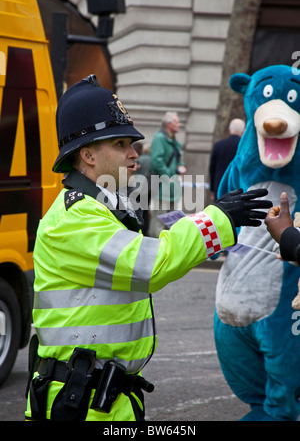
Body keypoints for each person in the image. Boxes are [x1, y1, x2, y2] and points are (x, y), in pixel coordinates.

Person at [25, 75, 272, 421]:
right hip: (82, 404)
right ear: (88, 155)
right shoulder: (75, 218)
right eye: (120, 143)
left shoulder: (97, 208)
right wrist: (217, 221)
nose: (133, 152)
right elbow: (151, 265)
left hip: (99, 399)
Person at [148, 112, 186, 237]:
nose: (179, 125)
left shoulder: (173, 140)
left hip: (171, 186)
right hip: (162, 185)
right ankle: (154, 248)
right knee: (159, 219)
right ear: (169, 124)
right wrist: (167, 175)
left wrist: (181, 166)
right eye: (177, 122)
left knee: (171, 220)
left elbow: (177, 160)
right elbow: (156, 160)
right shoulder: (160, 138)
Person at [209, 118, 245, 200]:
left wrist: (212, 189)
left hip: (219, 185)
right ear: (243, 130)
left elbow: (212, 169)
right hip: (238, 186)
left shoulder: (218, 145)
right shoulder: (243, 147)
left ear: (229, 129)